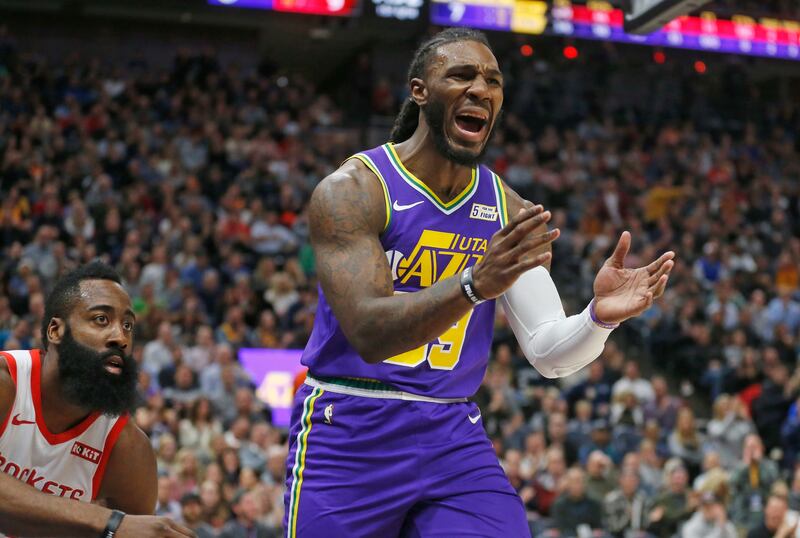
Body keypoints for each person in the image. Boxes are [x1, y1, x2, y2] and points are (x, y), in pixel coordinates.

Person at [284, 28, 674, 537]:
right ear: (419, 90)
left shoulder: (509, 210)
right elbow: (370, 332)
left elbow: (550, 353)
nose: (480, 90)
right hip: (350, 425)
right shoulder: (354, 190)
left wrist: (598, 318)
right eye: (462, 75)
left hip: (450, 432)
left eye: (492, 81)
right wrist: (473, 284)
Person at [0, 262, 193, 537]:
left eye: (128, 325)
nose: (121, 338)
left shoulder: (127, 448)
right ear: (55, 331)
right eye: (101, 319)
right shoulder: (6, 383)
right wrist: (108, 523)